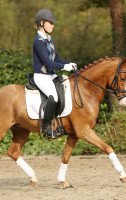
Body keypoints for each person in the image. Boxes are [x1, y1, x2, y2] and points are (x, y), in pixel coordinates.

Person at [33, 9, 77, 138]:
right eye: (50, 22)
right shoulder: (38, 41)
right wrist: (64, 66)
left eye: (53, 23)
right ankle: (46, 128)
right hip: (41, 76)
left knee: (65, 91)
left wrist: (69, 64)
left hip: (51, 75)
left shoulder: (49, 39)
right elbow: (48, 63)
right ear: (41, 23)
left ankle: (60, 124)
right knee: (54, 97)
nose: (53, 25)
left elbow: (56, 58)